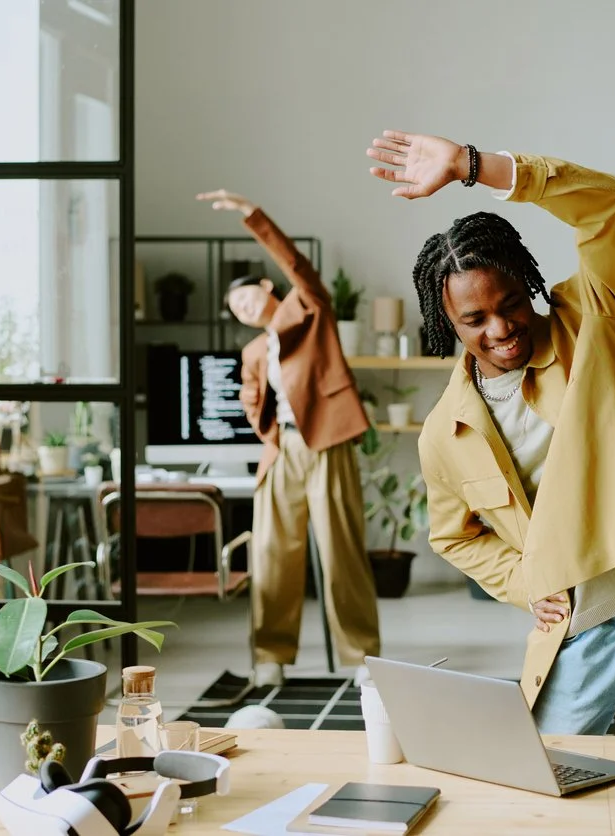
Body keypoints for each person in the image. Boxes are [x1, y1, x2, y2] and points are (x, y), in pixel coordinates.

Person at [365, 131, 615, 735]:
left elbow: (609, 205)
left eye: (510, 304)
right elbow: (455, 538)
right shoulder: (443, 435)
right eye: (474, 320)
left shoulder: (596, 320)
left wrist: (474, 166)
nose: (502, 328)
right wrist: (528, 583)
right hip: (580, 623)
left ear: (528, 286)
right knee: (552, 786)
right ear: (446, 322)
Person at [196, 189, 381, 687]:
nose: (243, 307)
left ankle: (362, 658)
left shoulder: (308, 308)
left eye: (246, 296)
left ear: (265, 284)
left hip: (327, 441)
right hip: (282, 452)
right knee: (272, 554)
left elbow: (296, 262)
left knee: (342, 552)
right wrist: (268, 430)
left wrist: (252, 216)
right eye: (234, 308)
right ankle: (269, 657)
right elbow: (252, 399)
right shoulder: (254, 351)